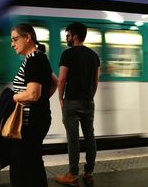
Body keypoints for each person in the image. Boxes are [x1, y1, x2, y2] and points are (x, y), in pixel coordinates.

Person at [9, 23, 58, 187]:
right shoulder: (40, 58)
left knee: (22, 167)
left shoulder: (33, 60)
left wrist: (13, 97)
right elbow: (55, 83)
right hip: (37, 119)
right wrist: (43, 99)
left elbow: (32, 94)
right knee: (33, 163)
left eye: (15, 39)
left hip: (30, 124)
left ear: (28, 37)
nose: (12, 44)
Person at [54, 22, 100, 186]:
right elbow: (95, 81)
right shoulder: (94, 56)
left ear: (74, 36)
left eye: (67, 35)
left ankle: (73, 174)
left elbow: (62, 79)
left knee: (73, 139)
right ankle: (89, 172)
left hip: (71, 102)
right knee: (90, 137)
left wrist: (61, 98)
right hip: (88, 102)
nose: (66, 38)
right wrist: (90, 97)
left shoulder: (68, 54)